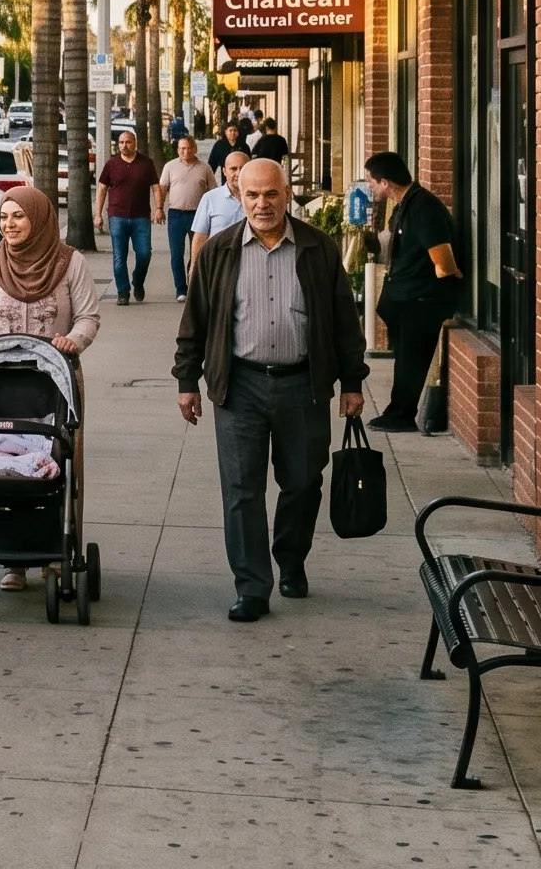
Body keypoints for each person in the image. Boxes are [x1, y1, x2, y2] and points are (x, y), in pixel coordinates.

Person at [174, 158, 366, 621]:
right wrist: (187, 380)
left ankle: (291, 557)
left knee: (302, 483)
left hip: (303, 385)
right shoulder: (219, 252)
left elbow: (344, 319)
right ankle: (252, 587)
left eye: (271, 194)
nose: (262, 204)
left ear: (286, 194)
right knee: (241, 490)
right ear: (238, 195)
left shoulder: (318, 248)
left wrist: (353, 382)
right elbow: (194, 320)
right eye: (252, 195)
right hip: (238, 386)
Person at [0, 184, 100, 589]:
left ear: (38, 218)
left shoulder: (70, 263)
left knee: (57, 464)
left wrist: (75, 340)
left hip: (53, 385)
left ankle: (55, 550)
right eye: (3, 217)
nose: (9, 224)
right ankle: (12, 561)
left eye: (18, 216)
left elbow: (88, 316)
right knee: (0, 467)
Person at [363, 151, 460, 434]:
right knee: (405, 361)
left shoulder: (423, 207)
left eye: (372, 181)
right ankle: (397, 412)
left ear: (385, 182)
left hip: (422, 300)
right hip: (406, 299)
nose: (370, 187)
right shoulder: (404, 205)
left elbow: (442, 258)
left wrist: (450, 274)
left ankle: (403, 415)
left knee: (412, 363)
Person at [94, 129, 157, 306]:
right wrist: (98, 214)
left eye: (128, 142)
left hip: (141, 217)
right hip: (117, 217)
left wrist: (159, 208)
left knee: (144, 253)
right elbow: (101, 189)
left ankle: (138, 280)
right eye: (121, 143)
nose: (124, 146)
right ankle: (123, 292)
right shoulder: (111, 165)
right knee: (119, 257)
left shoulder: (146, 163)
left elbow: (156, 187)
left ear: (135, 143)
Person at [157, 136, 217, 301]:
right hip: (176, 215)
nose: (185, 151)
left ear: (194, 149)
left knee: (196, 253)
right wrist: (159, 208)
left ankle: (193, 285)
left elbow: (213, 191)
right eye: (182, 148)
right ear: (178, 150)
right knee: (176, 254)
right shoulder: (170, 166)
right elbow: (162, 188)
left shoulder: (205, 168)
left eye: (189, 148)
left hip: (198, 215)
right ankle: (180, 289)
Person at [188, 149, 250, 266]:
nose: (238, 173)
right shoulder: (210, 198)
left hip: (250, 263)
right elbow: (200, 236)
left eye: (243, 168)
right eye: (233, 169)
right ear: (224, 171)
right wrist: (194, 268)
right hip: (217, 264)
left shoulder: (259, 200)